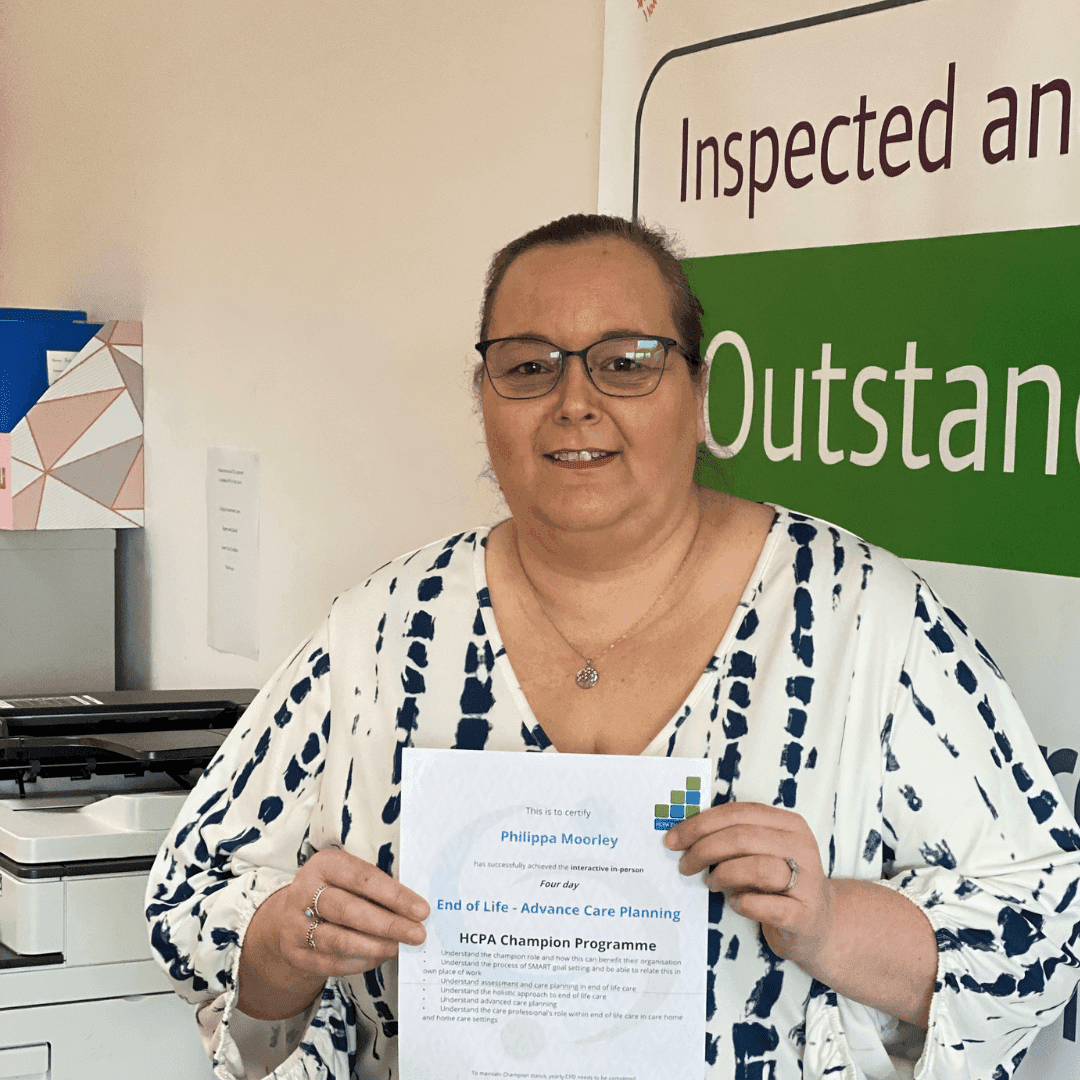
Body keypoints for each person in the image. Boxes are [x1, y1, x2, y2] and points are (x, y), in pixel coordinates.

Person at [146, 214, 1080, 1080]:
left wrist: (829, 922)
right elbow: (194, 901)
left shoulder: (860, 620)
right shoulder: (384, 632)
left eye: (626, 362)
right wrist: (279, 948)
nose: (574, 401)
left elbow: (1043, 929)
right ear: (485, 398)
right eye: (527, 366)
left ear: (700, 390)